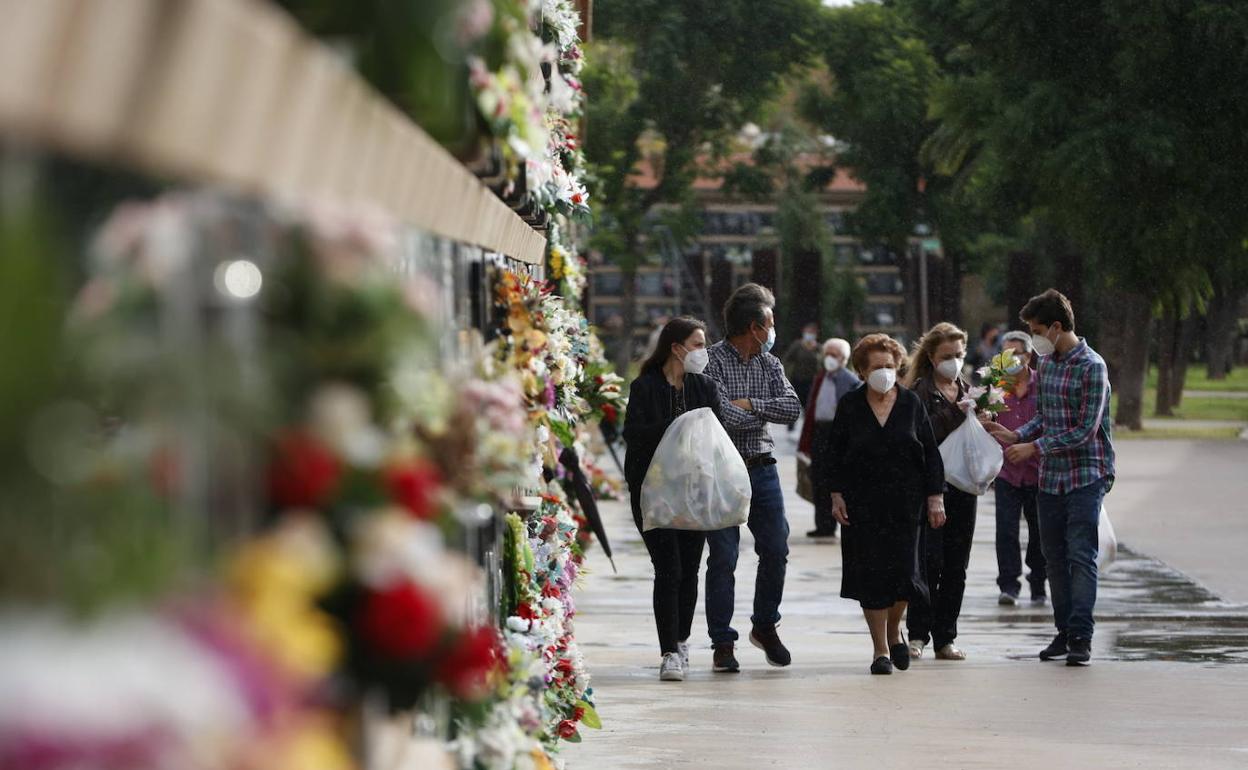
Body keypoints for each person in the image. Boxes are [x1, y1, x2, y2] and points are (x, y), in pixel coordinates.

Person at [984, 289, 1115, 667]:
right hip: (1050, 478)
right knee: (1053, 558)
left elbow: (1085, 430)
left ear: (1057, 327)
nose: (1034, 338)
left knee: (1080, 555)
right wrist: (1017, 435)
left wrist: (1035, 449)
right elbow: (1045, 416)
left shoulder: (1092, 366)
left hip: (1086, 475)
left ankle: (1081, 636)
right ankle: (1063, 631)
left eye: (1037, 330)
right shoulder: (1051, 364)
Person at [827, 334, 946, 675]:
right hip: (861, 504)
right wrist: (835, 494)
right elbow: (833, 453)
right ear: (862, 372)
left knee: (905, 576)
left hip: (906, 504)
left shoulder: (911, 404)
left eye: (890, 366)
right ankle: (880, 649)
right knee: (870, 575)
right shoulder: (850, 405)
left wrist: (935, 497)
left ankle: (895, 630)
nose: (885, 372)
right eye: (877, 367)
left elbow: (930, 454)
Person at [703, 283, 802, 672]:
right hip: (722, 471)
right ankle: (722, 643)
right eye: (769, 323)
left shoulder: (770, 363)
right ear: (753, 325)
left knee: (776, 548)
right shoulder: (711, 362)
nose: (772, 331)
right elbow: (724, 416)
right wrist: (761, 411)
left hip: (762, 467)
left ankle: (764, 624)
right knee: (724, 557)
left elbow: (792, 407)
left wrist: (752, 404)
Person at [623, 317, 723, 682]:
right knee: (669, 569)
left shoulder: (705, 387)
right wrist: (675, 426)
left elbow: (715, 437)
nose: (703, 351)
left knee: (690, 570)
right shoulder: (645, 387)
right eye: (697, 344)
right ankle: (668, 651)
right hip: (654, 492)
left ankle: (681, 640)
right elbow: (633, 434)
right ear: (675, 348)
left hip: (693, 493)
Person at [904, 322, 976, 662]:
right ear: (932, 357)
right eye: (947, 356)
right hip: (929, 488)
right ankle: (918, 633)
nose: (954, 362)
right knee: (928, 562)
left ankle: (946, 637)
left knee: (956, 566)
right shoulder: (918, 392)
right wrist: (953, 414)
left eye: (959, 355)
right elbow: (920, 436)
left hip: (964, 486)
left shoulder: (971, 390)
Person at [992, 331, 1047, 606]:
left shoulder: (1045, 385)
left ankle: (1038, 584)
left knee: (1040, 532)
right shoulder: (995, 388)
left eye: (1015, 354)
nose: (1010, 360)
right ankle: (1008, 585)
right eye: (1005, 355)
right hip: (1006, 473)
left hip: (1039, 470)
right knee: (1006, 531)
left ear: (1028, 355)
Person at [799, 338, 861, 539]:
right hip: (819, 433)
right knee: (818, 479)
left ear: (843, 358)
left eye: (834, 354)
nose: (830, 358)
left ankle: (838, 522)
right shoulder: (820, 377)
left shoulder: (850, 381)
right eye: (828, 353)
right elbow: (811, 408)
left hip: (838, 434)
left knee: (836, 480)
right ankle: (822, 524)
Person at [781, 322, 822, 433]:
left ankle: (808, 429)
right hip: (797, 380)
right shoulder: (797, 345)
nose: (809, 334)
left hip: (811, 382)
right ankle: (791, 427)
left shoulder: (818, 348)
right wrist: (785, 374)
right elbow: (787, 359)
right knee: (794, 404)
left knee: (809, 406)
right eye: (808, 332)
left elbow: (822, 364)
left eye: (812, 332)